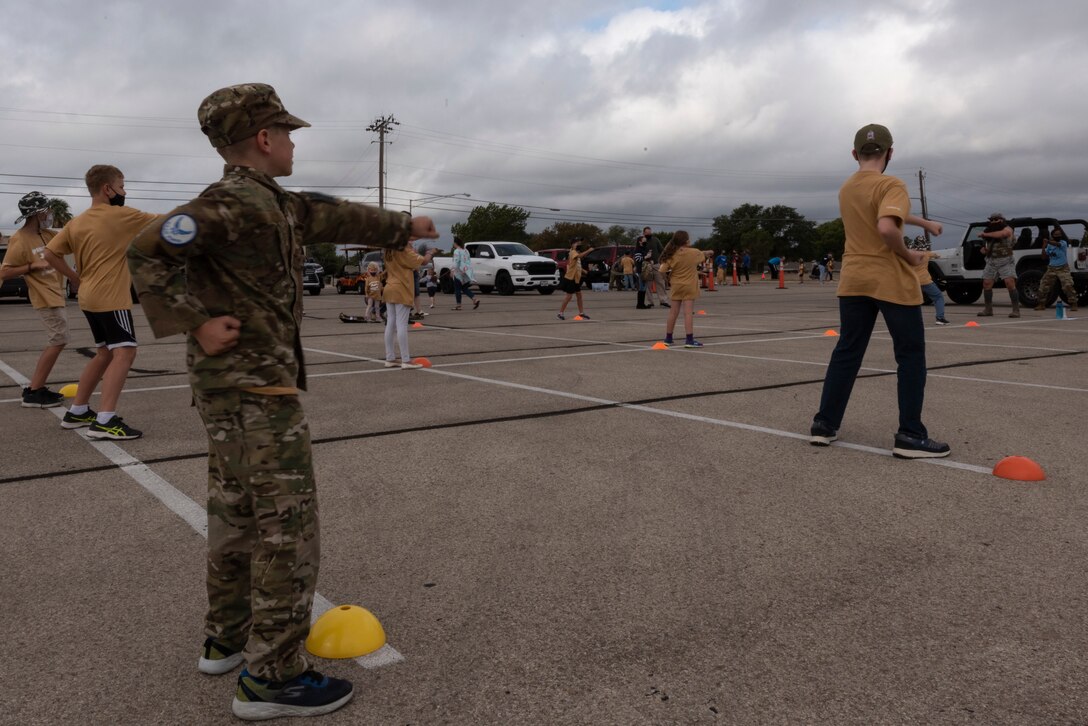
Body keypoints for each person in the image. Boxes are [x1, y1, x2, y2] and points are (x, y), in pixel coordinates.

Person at [127, 83, 439, 721]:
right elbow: (146, 251)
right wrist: (195, 321)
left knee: (236, 516)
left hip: (236, 391)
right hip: (253, 393)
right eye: (288, 133)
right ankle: (271, 677)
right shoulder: (231, 204)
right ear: (264, 139)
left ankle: (227, 637)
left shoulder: (272, 203)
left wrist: (402, 225)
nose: (295, 142)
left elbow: (331, 214)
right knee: (286, 531)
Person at [809, 123, 950, 459]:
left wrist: (924, 224)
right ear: (890, 153)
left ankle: (824, 425)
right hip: (889, 279)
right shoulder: (892, 184)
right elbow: (887, 224)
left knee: (847, 352)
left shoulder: (847, 188)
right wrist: (908, 253)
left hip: (855, 278)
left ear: (855, 154)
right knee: (910, 355)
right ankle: (910, 435)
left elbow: (883, 213)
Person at [44, 164, 159, 440]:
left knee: (105, 352)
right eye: (121, 186)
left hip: (89, 297)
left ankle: (78, 411)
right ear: (107, 189)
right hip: (111, 297)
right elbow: (169, 221)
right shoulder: (120, 216)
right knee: (126, 351)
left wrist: (74, 278)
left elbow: (49, 254)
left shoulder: (77, 222)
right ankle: (106, 420)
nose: (124, 191)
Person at [0, 192, 67, 407]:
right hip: (44, 296)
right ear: (38, 213)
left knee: (58, 341)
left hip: (56, 293)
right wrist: (31, 266)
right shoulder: (19, 240)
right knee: (58, 341)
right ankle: (34, 391)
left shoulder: (48, 234)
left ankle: (36, 388)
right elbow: (5, 273)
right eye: (47, 210)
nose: (49, 213)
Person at [384, 237, 435, 369]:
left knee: (390, 323)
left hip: (389, 288)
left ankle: (390, 358)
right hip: (401, 289)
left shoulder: (388, 250)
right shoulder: (404, 251)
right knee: (401, 324)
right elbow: (423, 261)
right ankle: (405, 360)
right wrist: (430, 252)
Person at [657, 231, 704, 348]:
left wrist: (667, 279)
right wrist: (708, 252)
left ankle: (668, 338)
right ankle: (689, 340)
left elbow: (662, 271)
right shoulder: (694, 252)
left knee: (673, 312)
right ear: (687, 241)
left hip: (676, 285)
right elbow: (702, 256)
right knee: (688, 313)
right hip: (690, 286)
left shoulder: (671, 254)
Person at [977, 212, 1019, 317]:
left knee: (1010, 283)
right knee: (986, 284)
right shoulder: (989, 233)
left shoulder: (1008, 229)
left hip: (1006, 260)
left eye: (996, 219)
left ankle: (1016, 310)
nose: (993, 222)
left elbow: (1003, 234)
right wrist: (984, 250)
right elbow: (986, 247)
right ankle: (988, 309)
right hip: (991, 261)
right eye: (991, 220)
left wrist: (985, 234)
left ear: (1002, 220)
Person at [1035, 227, 1079, 311]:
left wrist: (1047, 241)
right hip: (1051, 268)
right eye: (1056, 235)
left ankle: (1074, 303)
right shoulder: (1049, 246)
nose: (1058, 236)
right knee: (1043, 286)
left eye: (1059, 234)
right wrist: (1044, 247)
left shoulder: (1063, 243)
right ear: (1052, 236)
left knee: (1068, 285)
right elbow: (1043, 257)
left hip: (1063, 268)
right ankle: (1041, 304)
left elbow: (1057, 244)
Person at [908, 236, 949, 325]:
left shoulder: (910, 253)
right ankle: (940, 318)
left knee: (911, 301)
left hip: (912, 280)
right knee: (938, 297)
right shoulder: (926, 253)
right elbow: (937, 255)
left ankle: (908, 319)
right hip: (925, 280)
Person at [557, 239, 592, 320]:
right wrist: (589, 250)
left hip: (576, 279)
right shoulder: (573, 252)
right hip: (570, 278)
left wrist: (584, 271)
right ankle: (560, 313)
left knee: (579, 295)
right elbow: (579, 256)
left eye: (580, 244)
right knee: (569, 296)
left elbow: (576, 265)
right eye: (577, 243)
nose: (579, 245)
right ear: (572, 245)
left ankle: (581, 313)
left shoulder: (576, 253)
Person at [450, 236, 479, 310]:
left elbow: (456, 262)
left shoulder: (457, 251)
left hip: (458, 272)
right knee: (464, 288)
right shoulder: (466, 250)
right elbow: (468, 261)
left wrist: (452, 270)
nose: (453, 244)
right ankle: (474, 299)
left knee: (457, 289)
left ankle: (458, 305)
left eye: (453, 242)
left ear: (455, 243)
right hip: (466, 272)